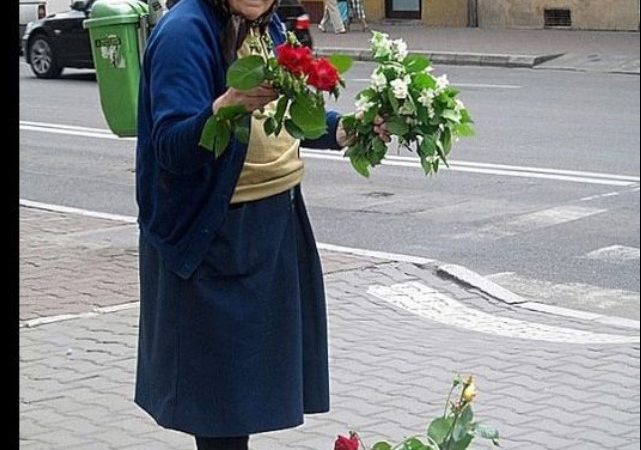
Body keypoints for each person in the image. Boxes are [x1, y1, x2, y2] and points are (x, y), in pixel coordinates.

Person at [133, 0, 390, 449]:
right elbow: (170, 148)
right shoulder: (185, 32)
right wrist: (225, 107)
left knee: (243, 398)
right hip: (215, 235)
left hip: (275, 224)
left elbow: (289, 119)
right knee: (219, 408)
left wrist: (345, 129)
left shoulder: (264, 27)